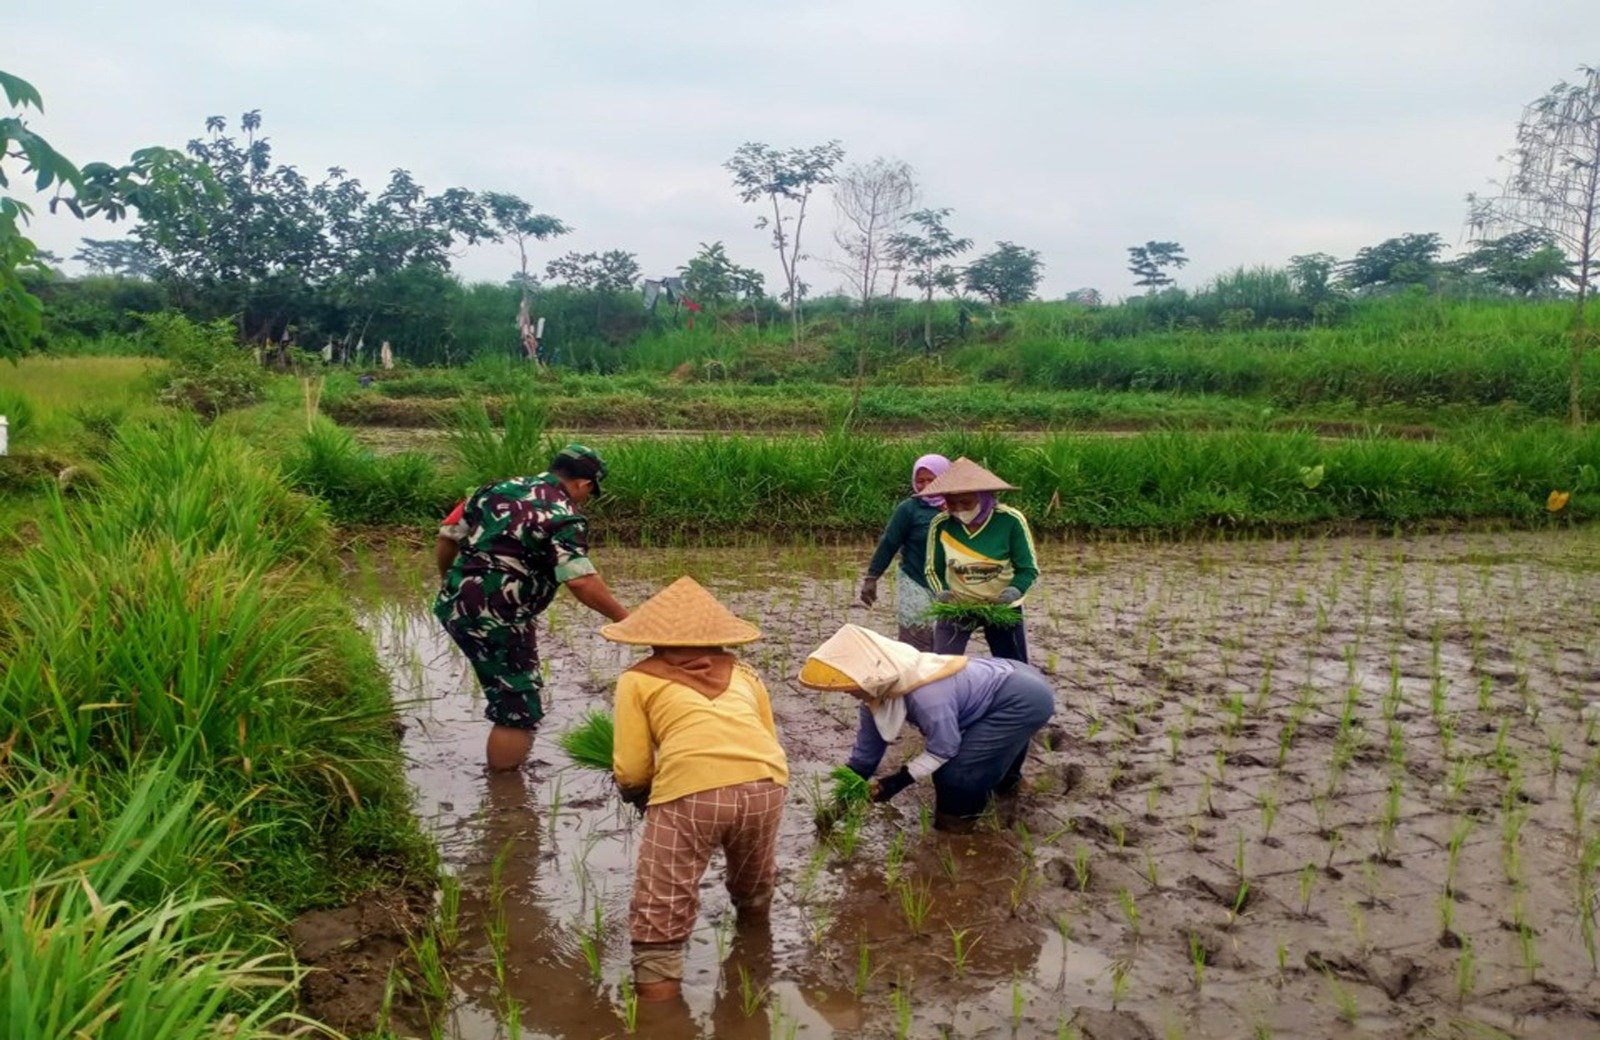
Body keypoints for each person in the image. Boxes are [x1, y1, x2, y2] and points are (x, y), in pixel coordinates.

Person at [604, 576, 789, 1003]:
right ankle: (754, 948)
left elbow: (631, 767)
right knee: (753, 877)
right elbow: (767, 735)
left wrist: (638, 796)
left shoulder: (637, 678)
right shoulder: (746, 673)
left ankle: (660, 1015)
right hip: (766, 783)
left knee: (662, 905)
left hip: (693, 791)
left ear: (652, 639)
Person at [433, 444, 629, 770]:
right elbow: (580, 581)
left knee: (504, 690)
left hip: (452, 606)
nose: (585, 499)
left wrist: (451, 585)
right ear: (584, 484)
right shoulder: (564, 517)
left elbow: (447, 536)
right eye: (589, 492)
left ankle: (506, 776)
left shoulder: (493, 489)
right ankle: (507, 800)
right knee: (518, 709)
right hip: (498, 619)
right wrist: (626, 619)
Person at [799, 623, 1054, 833]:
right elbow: (865, 757)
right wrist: (840, 802)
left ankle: (958, 824)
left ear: (873, 675)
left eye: (852, 686)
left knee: (955, 775)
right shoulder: (876, 695)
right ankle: (1007, 785)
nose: (850, 693)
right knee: (985, 752)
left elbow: (944, 749)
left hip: (1023, 697)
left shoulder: (925, 694)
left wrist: (895, 783)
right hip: (1007, 681)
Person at [922, 457, 1038, 663]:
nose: (959, 509)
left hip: (1001, 606)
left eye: (966, 502)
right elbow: (933, 569)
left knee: (1013, 666)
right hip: (957, 605)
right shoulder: (941, 524)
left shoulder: (1010, 521)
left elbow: (1028, 569)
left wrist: (1013, 591)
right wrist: (942, 592)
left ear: (984, 497)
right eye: (952, 503)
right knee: (942, 664)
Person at [859, 453, 951, 651]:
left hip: (950, 583)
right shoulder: (909, 509)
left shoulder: (959, 505)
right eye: (920, 481)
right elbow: (889, 543)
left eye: (931, 479)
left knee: (946, 641)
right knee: (915, 640)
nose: (925, 486)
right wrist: (872, 577)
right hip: (915, 580)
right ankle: (914, 679)